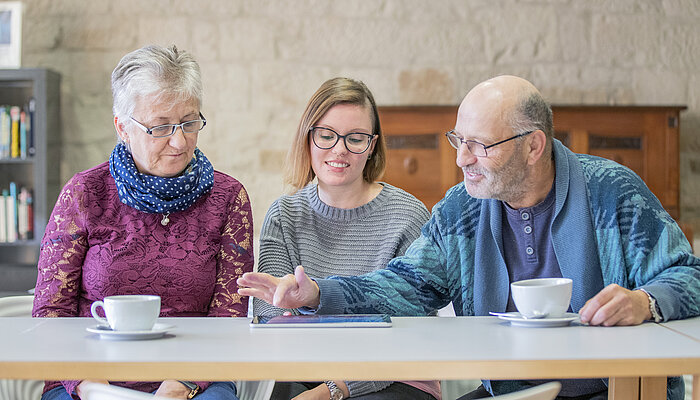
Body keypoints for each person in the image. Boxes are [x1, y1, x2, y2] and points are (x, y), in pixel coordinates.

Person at [238, 75, 700, 399]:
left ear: (533, 146)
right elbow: (405, 285)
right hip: (512, 394)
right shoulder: (462, 208)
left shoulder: (611, 192)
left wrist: (647, 301)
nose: (462, 159)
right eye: (458, 140)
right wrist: (319, 292)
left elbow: (687, 274)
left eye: (480, 145)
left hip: (611, 391)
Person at [33, 45, 254, 400]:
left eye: (189, 122)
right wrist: (90, 387)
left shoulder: (228, 198)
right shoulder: (85, 193)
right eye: (161, 126)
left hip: (195, 380)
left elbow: (230, 314)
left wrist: (182, 382)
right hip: (88, 380)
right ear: (123, 127)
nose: (180, 141)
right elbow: (50, 314)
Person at [255, 77, 439, 400]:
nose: (339, 149)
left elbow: (414, 330)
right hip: (304, 371)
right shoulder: (283, 215)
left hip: (395, 377)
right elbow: (272, 325)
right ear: (308, 140)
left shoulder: (408, 216)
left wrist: (335, 389)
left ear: (372, 146)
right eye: (326, 136)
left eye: (355, 138)